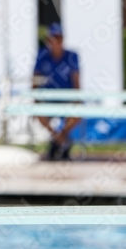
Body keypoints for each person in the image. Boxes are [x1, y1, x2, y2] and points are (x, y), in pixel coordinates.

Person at [32, 22, 81, 160]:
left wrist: (77, 99)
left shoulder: (72, 56)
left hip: (67, 98)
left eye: (59, 38)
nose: (56, 41)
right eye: (54, 38)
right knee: (38, 111)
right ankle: (61, 140)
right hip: (48, 99)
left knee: (77, 113)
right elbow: (34, 78)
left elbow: (76, 80)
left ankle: (57, 140)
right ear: (49, 40)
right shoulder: (42, 55)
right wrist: (34, 98)